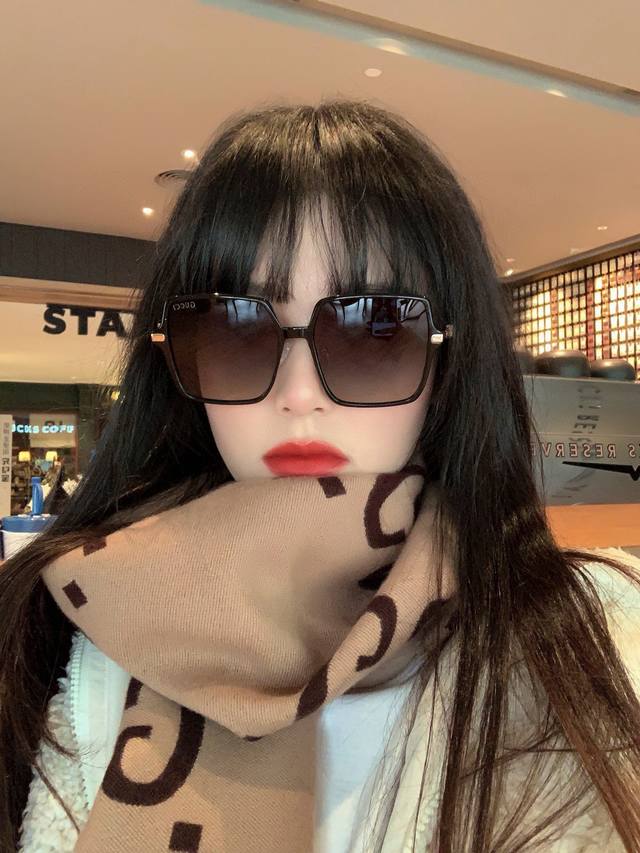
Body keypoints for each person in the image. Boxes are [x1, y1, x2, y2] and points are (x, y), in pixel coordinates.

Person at [2, 100, 639, 852]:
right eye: (236, 329)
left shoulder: (600, 631)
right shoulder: (57, 628)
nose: (298, 393)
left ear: (447, 363)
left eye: (373, 330)